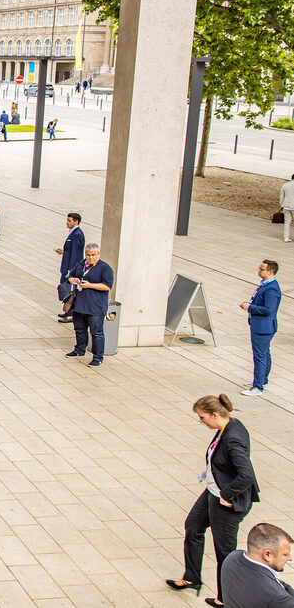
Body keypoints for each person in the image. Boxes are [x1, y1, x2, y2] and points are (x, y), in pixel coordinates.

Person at [165, 394, 259, 607]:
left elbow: (246, 475)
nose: (201, 421)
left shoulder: (233, 437)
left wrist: (227, 494)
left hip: (225, 500)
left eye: (202, 417)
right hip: (213, 491)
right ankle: (192, 577)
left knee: (224, 551)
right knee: (193, 527)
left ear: (215, 415)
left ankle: (226, 598)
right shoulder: (228, 427)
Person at [220, 523, 294, 608]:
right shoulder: (278, 598)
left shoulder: (232, 558)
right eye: (285, 554)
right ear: (267, 555)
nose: (290, 558)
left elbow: (280, 584)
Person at [64, 243, 114, 367]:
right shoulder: (81, 264)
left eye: (93, 255)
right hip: (79, 305)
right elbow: (70, 275)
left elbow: (107, 286)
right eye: (88, 255)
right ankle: (79, 350)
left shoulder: (105, 268)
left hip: (95, 307)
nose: (90, 258)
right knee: (79, 329)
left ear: (98, 254)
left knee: (96, 333)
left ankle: (98, 357)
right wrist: (72, 279)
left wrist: (89, 285)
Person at [240, 259, 282, 396]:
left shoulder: (272, 288)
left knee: (260, 356)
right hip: (259, 325)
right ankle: (262, 380)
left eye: (262, 269)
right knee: (264, 353)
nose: (259, 271)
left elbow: (269, 309)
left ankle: (258, 387)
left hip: (263, 328)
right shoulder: (265, 285)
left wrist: (249, 307)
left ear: (271, 272)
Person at [55, 212, 85, 323]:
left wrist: (70, 271)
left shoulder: (77, 234)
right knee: (67, 290)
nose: (67, 223)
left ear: (76, 222)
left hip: (70, 268)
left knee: (70, 290)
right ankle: (68, 311)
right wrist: (64, 251)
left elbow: (76, 254)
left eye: (69, 221)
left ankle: (71, 313)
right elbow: (72, 250)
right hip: (68, 267)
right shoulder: (73, 233)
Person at [282, 174, 294, 242]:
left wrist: (282, 205)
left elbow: (282, 197)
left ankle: (286, 237)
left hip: (286, 206)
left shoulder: (285, 185)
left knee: (287, 222)